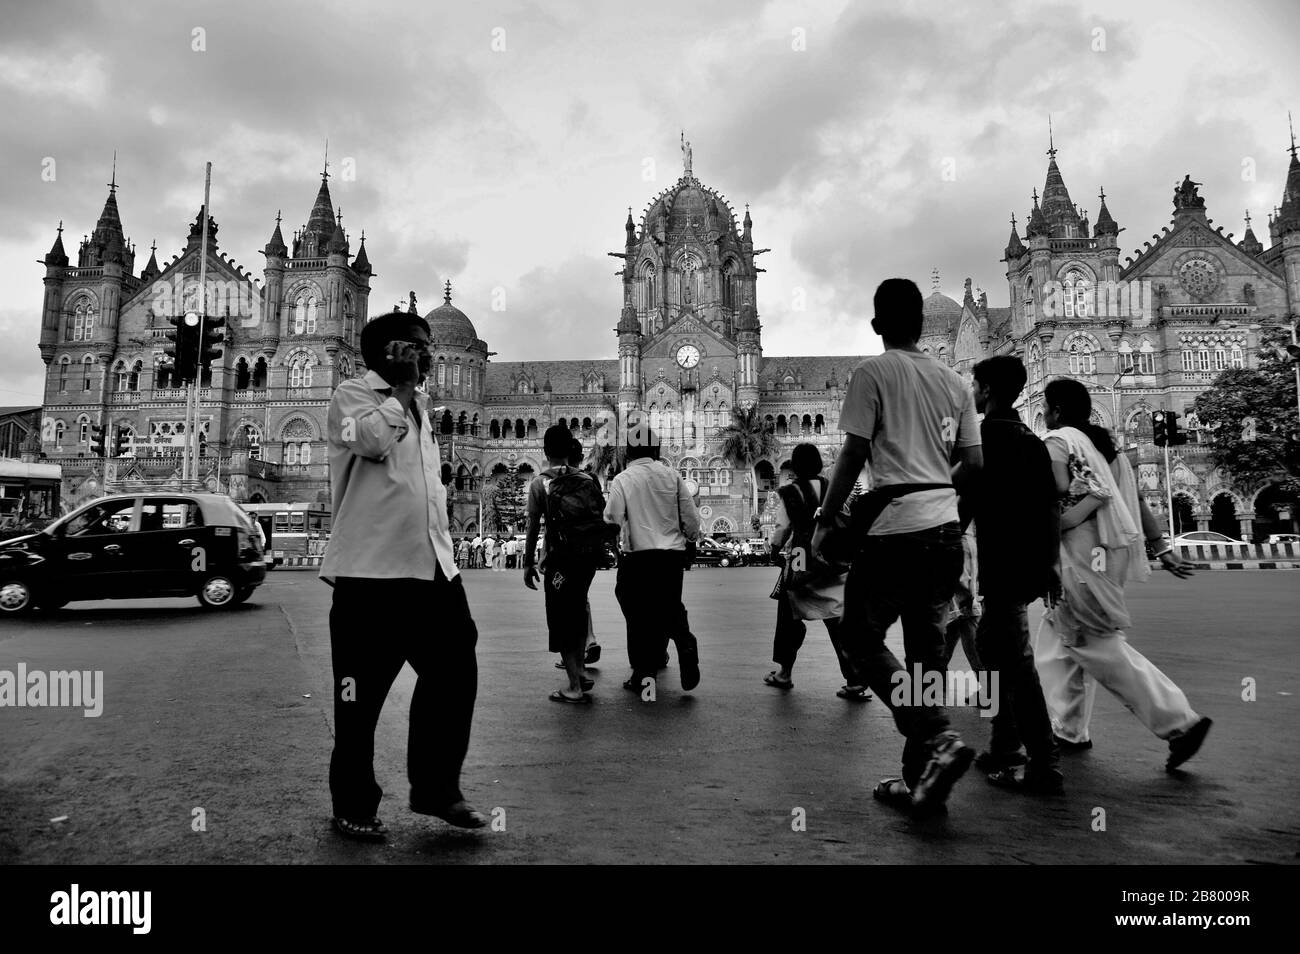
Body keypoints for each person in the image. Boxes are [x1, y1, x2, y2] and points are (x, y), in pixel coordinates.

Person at [811, 278, 982, 817]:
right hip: (945, 529)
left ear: (878, 324)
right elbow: (974, 466)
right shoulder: (956, 383)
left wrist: (826, 516)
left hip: (893, 528)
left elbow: (854, 451)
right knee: (927, 658)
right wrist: (941, 495)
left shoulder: (873, 372)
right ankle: (922, 781)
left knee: (861, 640)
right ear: (922, 327)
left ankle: (936, 736)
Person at [320, 310, 485, 840]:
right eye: (416, 345)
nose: (428, 355)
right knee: (358, 698)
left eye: (428, 346)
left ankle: (436, 788)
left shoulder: (420, 409)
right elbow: (369, 442)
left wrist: (450, 556)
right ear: (387, 353)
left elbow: (429, 491)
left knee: (455, 672)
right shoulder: (352, 396)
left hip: (433, 571)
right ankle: (354, 802)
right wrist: (402, 393)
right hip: (370, 575)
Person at [1034, 378, 1211, 770]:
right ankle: (1067, 727)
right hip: (1105, 555)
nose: (1043, 413)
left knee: (1095, 644)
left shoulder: (1059, 442)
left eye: (1046, 406)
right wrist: (1161, 546)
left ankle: (1179, 722)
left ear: (1058, 410)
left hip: (1077, 557)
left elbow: (1051, 501)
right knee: (1056, 643)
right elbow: (1133, 503)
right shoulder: (1106, 450)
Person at [964, 355, 1063, 793]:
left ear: (987, 392)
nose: (972, 391)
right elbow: (1050, 507)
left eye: (976, 385)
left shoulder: (984, 439)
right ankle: (1004, 743)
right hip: (1028, 563)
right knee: (994, 648)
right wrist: (1052, 565)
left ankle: (1043, 761)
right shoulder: (1031, 439)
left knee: (1015, 661)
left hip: (1001, 562)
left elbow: (963, 499)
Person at [764, 442, 869, 700]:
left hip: (801, 558)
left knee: (789, 615)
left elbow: (781, 528)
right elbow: (843, 516)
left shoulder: (790, 492)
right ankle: (854, 679)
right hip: (832, 559)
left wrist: (775, 550)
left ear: (795, 467)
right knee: (836, 620)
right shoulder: (831, 488)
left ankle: (785, 673)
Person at [603, 422, 701, 696]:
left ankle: (643, 675)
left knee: (637, 613)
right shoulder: (672, 476)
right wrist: (690, 542)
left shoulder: (623, 479)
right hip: (671, 556)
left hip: (638, 558)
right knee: (668, 604)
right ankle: (683, 640)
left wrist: (612, 544)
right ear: (656, 449)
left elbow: (612, 518)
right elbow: (691, 519)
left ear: (629, 451)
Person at [525, 424, 609, 703]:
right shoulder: (587, 480)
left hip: (559, 562)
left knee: (561, 619)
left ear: (545, 451)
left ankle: (574, 686)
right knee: (577, 610)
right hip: (586, 560)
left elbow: (533, 527)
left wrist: (528, 563)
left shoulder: (541, 483)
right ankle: (582, 671)